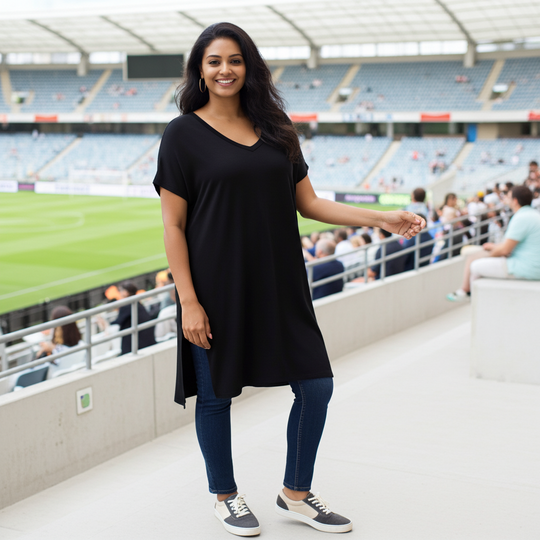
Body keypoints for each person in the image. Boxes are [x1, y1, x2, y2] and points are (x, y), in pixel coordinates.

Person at [153, 22, 425, 537]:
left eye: (234, 60)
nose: (225, 70)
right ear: (200, 70)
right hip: (216, 289)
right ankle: (225, 496)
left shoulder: (277, 127)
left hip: (281, 285)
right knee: (216, 398)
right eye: (214, 61)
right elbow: (172, 225)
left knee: (316, 385)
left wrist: (382, 217)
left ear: (249, 66)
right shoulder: (182, 134)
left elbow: (311, 203)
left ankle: (295, 493)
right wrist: (188, 300)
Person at [447, 186, 540, 301]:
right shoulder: (531, 214)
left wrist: (488, 254)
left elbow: (505, 250)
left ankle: (472, 299)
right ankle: (466, 293)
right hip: (533, 266)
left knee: (475, 265)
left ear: (515, 201)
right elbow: (511, 244)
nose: (506, 199)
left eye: (508, 197)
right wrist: (493, 248)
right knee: (477, 258)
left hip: (528, 268)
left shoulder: (521, 217)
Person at [110, 281, 156, 355]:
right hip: (147, 343)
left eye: (120, 290)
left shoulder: (127, 305)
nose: (119, 293)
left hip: (138, 347)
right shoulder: (138, 304)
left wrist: (104, 323)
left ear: (126, 292)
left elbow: (116, 323)